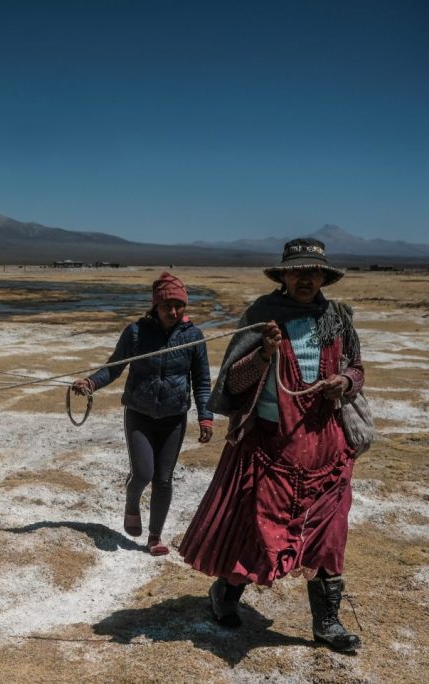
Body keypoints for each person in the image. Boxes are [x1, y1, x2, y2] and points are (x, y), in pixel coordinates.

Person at [178, 238, 364, 653]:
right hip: (271, 448)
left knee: (329, 539)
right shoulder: (261, 317)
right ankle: (224, 595)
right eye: (297, 271)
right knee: (257, 534)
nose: (305, 278)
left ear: (323, 277)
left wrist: (346, 381)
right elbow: (235, 382)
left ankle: (327, 624)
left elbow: (357, 367)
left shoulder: (337, 317)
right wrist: (263, 353)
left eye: (312, 272)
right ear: (283, 276)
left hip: (328, 450)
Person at [73, 272, 213, 556]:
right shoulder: (136, 333)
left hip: (174, 417)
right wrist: (90, 383)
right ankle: (131, 500)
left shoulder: (193, 337)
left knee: (163, 478)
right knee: (142, 474)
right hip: (140, 413)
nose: (173, 311)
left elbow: (201, 380)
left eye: (179, 305)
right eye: (166, 306)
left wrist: (205, 416)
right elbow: (114, 367)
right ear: (155, 306)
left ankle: (154, 537)